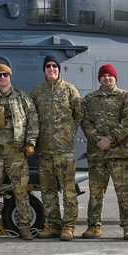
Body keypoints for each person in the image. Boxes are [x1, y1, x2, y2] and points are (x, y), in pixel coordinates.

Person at [0, 62, 38, 241]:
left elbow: (33, 121)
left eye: (5, 75)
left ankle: (24, 227)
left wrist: (31, 143)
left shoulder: (22, 98)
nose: (2, 78)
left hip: (16, 153)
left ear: (10, 77)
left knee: (20, 192)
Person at [80, 63, 128, 240]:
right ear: (99, 79)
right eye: (104, 76)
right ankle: (93, 227)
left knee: (123, 192)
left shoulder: (125, 97)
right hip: (97, 154)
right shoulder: (89, 99)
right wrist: (97, 139)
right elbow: (85, 122)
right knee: (96, 192)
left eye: (110, 76)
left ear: (115, 78)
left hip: (118, 154)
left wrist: (110, 139)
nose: (107, 78)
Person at [30, 55, 83, 241]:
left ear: (59, 69)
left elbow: (79, 114)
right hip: (44, 150)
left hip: (64, 151)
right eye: (48, 66)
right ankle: (53, 225)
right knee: (47, 190)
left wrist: (68, 133)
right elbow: (32, 118)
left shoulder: (70, 90)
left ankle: (68, 226)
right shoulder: (37, 92)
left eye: (54, 66)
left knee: (68, 190)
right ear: (44, 70)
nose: (51, 69)